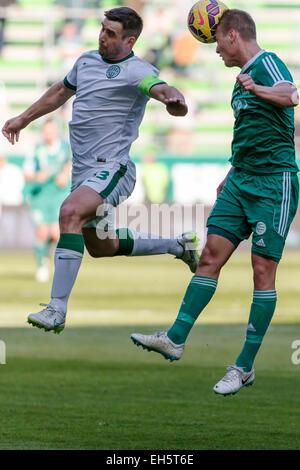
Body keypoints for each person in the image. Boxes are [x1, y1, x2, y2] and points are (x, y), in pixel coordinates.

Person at [131, 9, 299, 396]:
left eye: (218, 43)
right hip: (240, 180)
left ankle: (244, 367)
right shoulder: (239, 83)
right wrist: (231, 171)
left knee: (261, 271)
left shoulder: (266, 64)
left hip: (275, 184)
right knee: (209, 257)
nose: (216, 52)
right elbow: (251, 130)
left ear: (233, 36)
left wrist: (257, 88)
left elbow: (291, 96)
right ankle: (174, 339)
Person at [2, 6, 199, 333]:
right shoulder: (86, 62)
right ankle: (178, 245)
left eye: (111, 33)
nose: (102, 37)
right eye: (102, 29)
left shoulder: (138, 70)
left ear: (129, 40)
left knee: (69, 213)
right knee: (100, 246)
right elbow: (59, 92)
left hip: (114, 169)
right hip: (84, 172)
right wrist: (23, 118)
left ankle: (57, 309)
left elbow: (158, 86)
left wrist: (173, 98)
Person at [24, 119, 72, 282]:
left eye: (51, 130)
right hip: (41, 196)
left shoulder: (65, 148)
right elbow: (27, 174)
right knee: (43, 233)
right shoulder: (37, 151)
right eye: (46, 131)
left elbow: (69, 165)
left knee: (57, 233)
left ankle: (59, 268)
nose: (49, 134)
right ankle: (41, 265)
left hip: (59, 195)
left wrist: (65, 176)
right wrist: (38, 176)